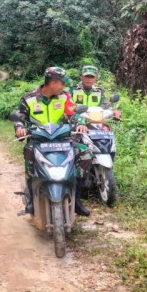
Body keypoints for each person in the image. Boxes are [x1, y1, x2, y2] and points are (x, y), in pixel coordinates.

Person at [13, 66, 90, 216]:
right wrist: (19, 127)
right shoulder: (29, 98)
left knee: (85, 154)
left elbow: (73, 112)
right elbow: (20, 117)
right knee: (29, 156)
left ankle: (77, 198)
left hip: (62, 138)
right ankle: (31, 199)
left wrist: (80, 122)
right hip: (38, 139)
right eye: (63, 83)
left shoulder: (64, 96)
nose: (65, 86)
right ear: (54, 83)